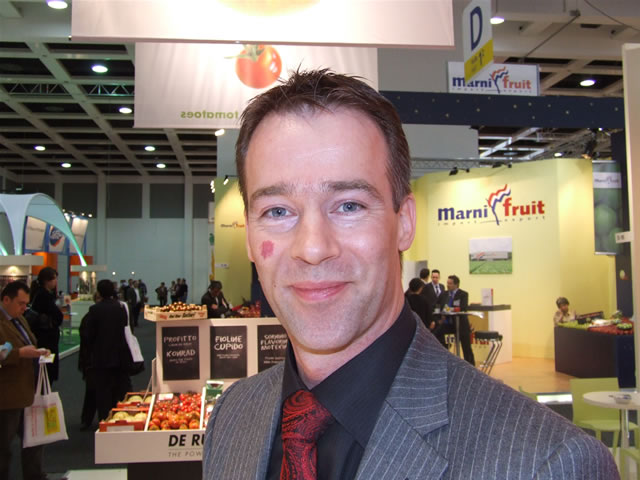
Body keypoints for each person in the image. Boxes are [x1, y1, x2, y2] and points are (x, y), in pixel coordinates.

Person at [203, 69, 617, 479]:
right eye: (277, 211)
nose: (312, 248)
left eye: (349, 206)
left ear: (404, 222)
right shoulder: (233, 417)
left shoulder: (549, 463)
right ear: (249, 236)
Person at [0, 281, 50, 480]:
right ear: (6, 300)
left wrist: (38, 352)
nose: (24, 307)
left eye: (26, 303)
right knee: (3, 446)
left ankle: (35, 476)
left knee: (34, 439)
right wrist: (19, 353)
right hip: (7, 395)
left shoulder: (19, 319)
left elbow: (28, 343)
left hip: (28, 390)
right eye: (20, 303)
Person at [80, 279, 131, 422]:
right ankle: (120, 418)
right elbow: (125, 329)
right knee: (119, 390)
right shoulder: (120, 308)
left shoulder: (95, 310)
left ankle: (104, 420)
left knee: (103, 392)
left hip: (101, 357)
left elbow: (89, 335)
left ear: (99, 292)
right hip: (119, 356)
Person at [29, 266, 63, 385]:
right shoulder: (44, 295)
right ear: (46, 280)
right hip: (46, 338)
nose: (55, 281)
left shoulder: (41, 294)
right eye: (54, 279)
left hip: (45, 337)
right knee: (46, 371)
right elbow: (57, 315)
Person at [435, 274, 475, 366]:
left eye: (450, 283)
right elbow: (437, 305)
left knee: (466, 347)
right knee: (436, 334)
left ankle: (471, 367)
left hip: (460, 324)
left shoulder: (463, 294)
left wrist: (451, 309)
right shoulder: (444, 294)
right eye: (447, 283)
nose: (448, 285)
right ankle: (444, 356)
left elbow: (463, 308)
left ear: (456, 285)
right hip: (448, 323)